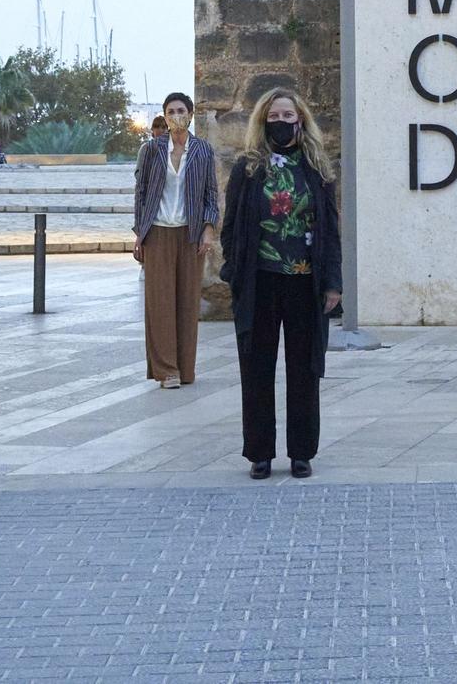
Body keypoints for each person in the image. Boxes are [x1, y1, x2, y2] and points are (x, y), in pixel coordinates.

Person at [219, 88, 342, 479]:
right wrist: (233, 271)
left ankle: (301, 451)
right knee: (257, 367)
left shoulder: (317, 169)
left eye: (289, 116)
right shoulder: (248, 169)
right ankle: (260, 452)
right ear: (263, 121)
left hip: (305, 282)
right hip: (260, 282)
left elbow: (331, 231)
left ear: (301, 121)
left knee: (304, 369)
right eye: (274, 117)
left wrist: (334, 283)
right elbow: (231, 227)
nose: (282, 123)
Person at [132, 92, 220, 388]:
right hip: (157, 232)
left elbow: (211, 193)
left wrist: (208, 229)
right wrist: (139, 234)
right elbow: (141, 193)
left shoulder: (203, 150)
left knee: (186, 302)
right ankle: (167, 370)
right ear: (164, 116)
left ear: (191, 114)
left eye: (181, 110)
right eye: (171, 111)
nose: (176, 115)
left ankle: (186, 368)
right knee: (159, 303)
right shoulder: (152, 150)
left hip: (190, 233)